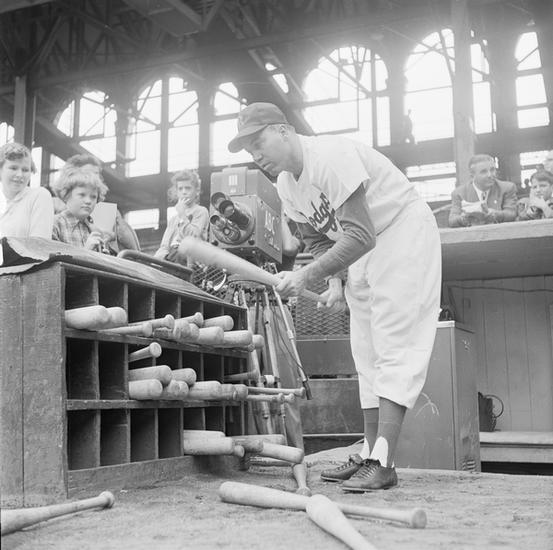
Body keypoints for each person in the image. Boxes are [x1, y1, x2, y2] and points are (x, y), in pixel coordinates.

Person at [228, 102, 441, 491]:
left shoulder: (328, 155)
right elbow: (317, 240)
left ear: (284, 131)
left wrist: (305, 274)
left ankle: (384, 461)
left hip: (400, 230)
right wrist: (334, 283)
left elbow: (360, 233)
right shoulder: (287, 185)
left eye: (259, 142)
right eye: (248, 149)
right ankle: (369, 453)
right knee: (366, 351)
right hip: (363, 246)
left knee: (394, 344)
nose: (256, 155)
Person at [60, 154, 141, 252]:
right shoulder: (55, 215)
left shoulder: (109, 213)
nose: (94, 179)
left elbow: (134, 250)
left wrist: (113, 238)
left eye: (97, 175)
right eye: (88, 174)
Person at [51, 166, 116, 253]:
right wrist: (86, 251)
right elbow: (51, 260)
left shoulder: (96, 231)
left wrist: (102, 257)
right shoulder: (54, 224)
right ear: (65, 195)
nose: (88, 201)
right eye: (82, 195)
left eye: (93, 197)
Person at [154, 169, 209, 265]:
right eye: (180, 189)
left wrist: (183, 215)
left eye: (188, 188)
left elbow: (193, 237)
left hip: (190, 257)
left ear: (197, 191)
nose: (184, 192)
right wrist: (154, 262)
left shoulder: (201, 211)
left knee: (179, 255)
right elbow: (164, 246)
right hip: (171, 256)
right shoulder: (173, 219)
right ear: (177, 192)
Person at [0, 142, 54, 239]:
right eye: (13, 168)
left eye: (25, 170)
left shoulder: (39, 196)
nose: (19, 175)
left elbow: (39, 243)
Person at [448, 154, 517, 227]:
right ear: (472, 176)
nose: (490, 175)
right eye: (484, 172)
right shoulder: (459, 193)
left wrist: (496, 214)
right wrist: (464, 218)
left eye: (492, 170)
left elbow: (512, 213)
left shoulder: (507, 188)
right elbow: (452, 220)